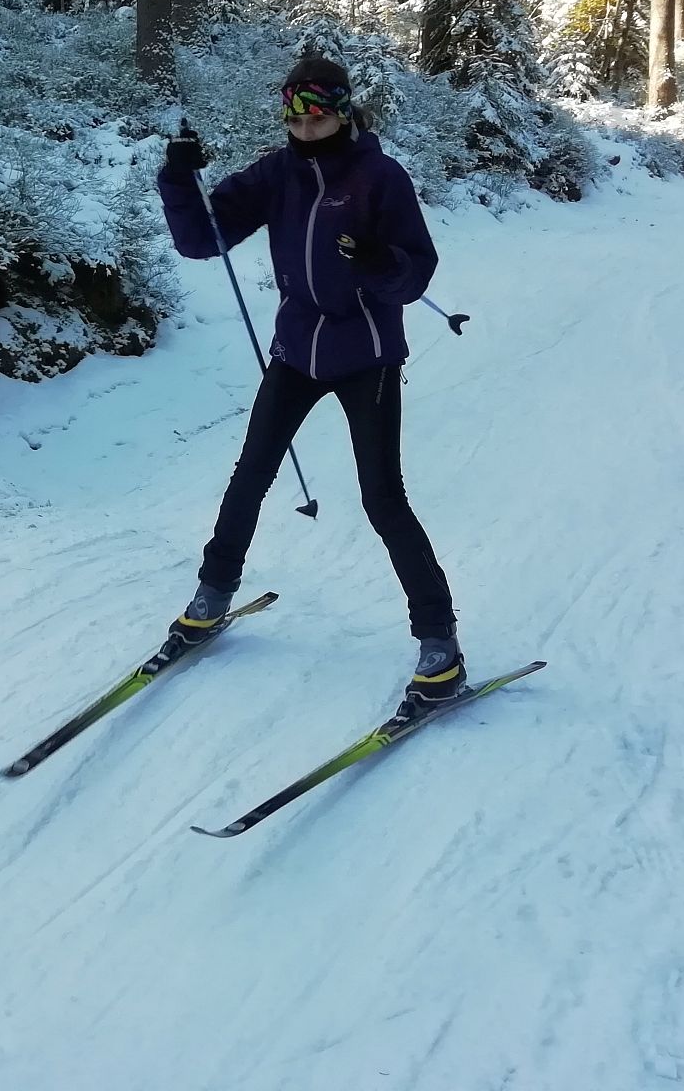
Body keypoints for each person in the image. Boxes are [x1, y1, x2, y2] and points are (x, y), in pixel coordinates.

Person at [156, 57, 463, 714]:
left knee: (383, 499)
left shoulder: (380, 177)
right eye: (294, 114)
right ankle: (213, 594)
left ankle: (440, 643)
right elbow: (203, 240)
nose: (305, 125)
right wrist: (179, 179)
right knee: (250, 476)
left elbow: (416, 273)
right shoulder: (276, 174)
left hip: (367, 356)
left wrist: (379, 262)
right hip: (297, 351)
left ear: (343, 111)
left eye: (317, 113)